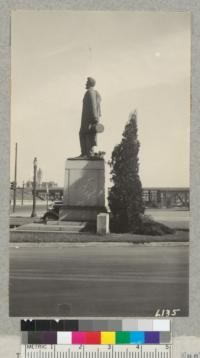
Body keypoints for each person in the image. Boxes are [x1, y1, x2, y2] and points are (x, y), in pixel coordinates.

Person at [79, 77, 102, 157]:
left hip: (88, 121)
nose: (85, 84)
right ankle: (86, 153)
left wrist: (94, 119)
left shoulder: (90, 92)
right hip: (88, 120)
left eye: (87, 82)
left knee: (85, 134)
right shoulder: (92, 92)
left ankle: (86, 153)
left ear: (90, 83)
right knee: (85, 135)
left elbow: (93, 105)